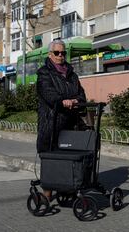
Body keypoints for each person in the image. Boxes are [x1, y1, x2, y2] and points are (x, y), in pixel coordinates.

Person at [36, 39, 87, 200]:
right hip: (52, 122)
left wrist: (76, 101)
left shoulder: (72, 74)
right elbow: (48, 94)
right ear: (50, 54)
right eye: (57, 53)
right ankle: (48, 192)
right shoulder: (44, 73)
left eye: (63, 53)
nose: (60, 56)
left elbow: (81, 94)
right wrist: (63, 101)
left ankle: (67, 187)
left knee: (68, 155)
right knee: (50, 155)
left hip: (71, 123)